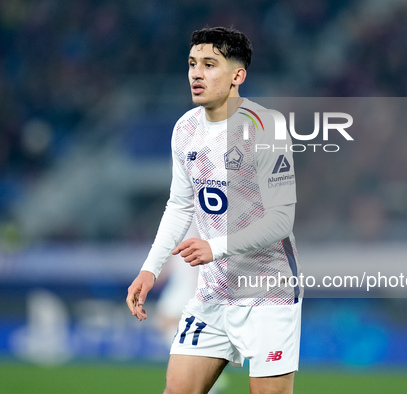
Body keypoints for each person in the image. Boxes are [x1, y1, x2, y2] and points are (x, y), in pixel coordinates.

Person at [126, 26, 301, 394]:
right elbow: (179, 206)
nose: (196, 73)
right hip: (212, 293)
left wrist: (214, 245)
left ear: (238, 76)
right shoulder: (185, 129)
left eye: (209, 64)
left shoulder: (265, 126)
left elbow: (281, 219)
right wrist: (149, 269)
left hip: (267, 291)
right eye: (192, 64)